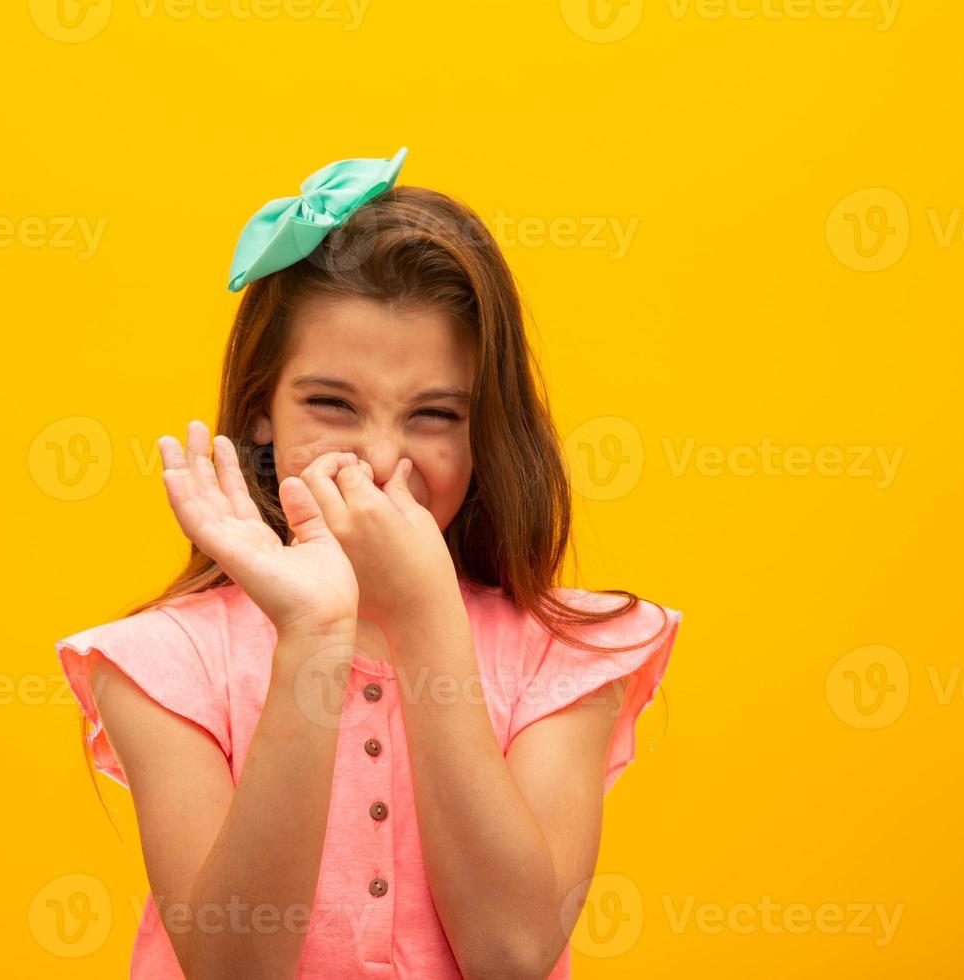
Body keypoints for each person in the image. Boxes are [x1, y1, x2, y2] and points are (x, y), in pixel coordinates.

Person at [55, 147, 683, 979]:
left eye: (433, 415)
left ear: (482, 432)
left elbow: (513, 953)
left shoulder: (565, 658)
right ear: (262, 414)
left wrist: (425, 617)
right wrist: (314, 633)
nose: (383, 459)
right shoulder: (167, 665)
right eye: (331, 404)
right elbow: (234, 966)